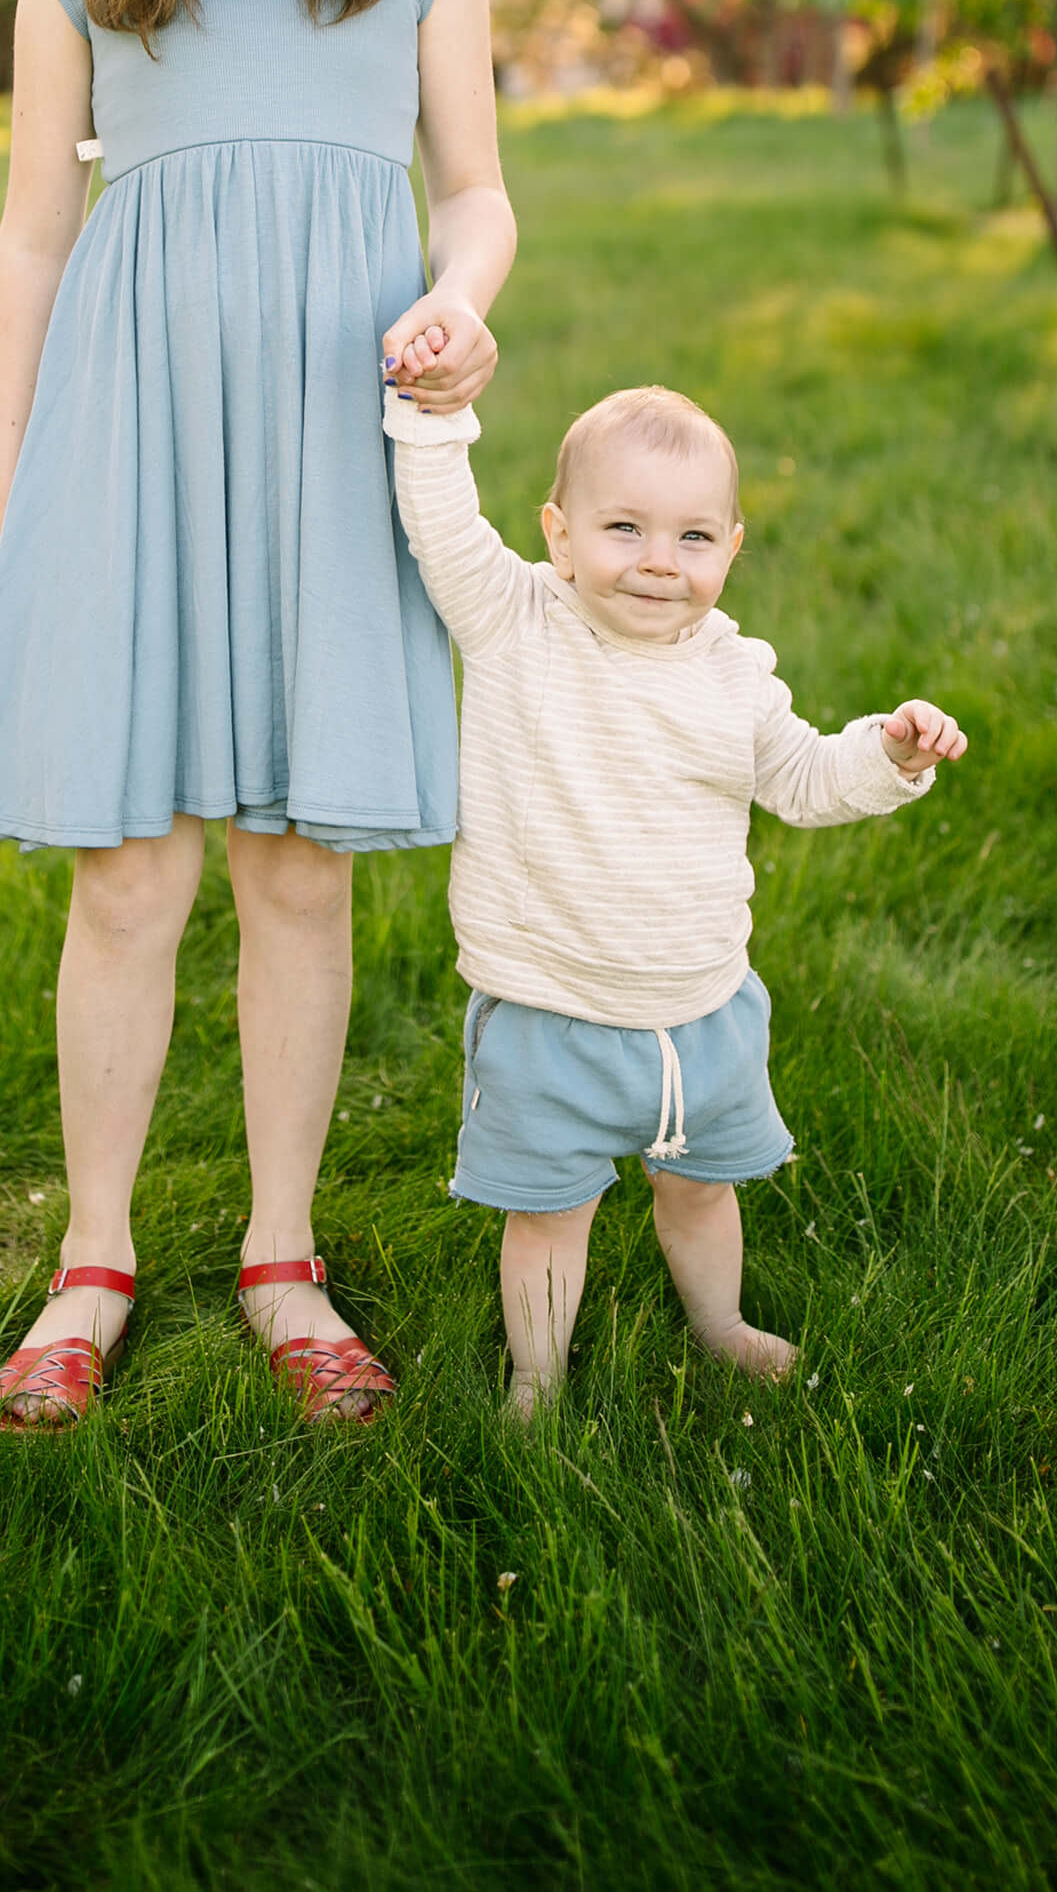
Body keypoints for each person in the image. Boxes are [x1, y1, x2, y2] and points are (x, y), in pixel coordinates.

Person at [0, 0, 514, 1430]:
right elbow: (32, 238)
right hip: (130, 438)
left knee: (297, 862)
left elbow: (483, 194)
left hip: (328, 436)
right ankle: (92, 1258)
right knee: (126, 870)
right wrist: (12, 493)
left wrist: (459, 302)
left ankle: (283, 1253)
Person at [381, 361, 966, 1418]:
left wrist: (889, 754)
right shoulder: (516, 623)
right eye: (623, 529)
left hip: (699, 1009)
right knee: (548, 1216)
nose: (659, 562)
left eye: (693, 537)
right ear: (557, 534)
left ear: (731, 549)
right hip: (548, 1006)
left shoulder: (731, 671)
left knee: (701, 1191)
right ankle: (535, 1379)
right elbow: (441, 525)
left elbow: (799, 777)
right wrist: (432, 413)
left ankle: (716, 1324)